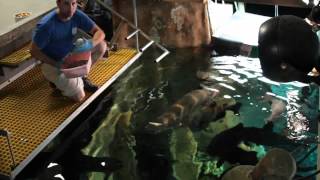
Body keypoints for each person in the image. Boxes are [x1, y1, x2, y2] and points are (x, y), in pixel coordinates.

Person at [31, 0, 107, 102]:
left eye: (73, 3)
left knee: (101, 46)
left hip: (70, 53)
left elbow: (100, 33)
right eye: (66, 3)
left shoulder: (77, 15)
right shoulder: (46, 25)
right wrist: (57, 64)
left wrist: (90, 44)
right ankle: (58, 82)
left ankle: (80, 77)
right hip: (53, 63)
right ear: (58, 3)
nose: (71, 8)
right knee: (79, 97)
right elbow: (34, 51)